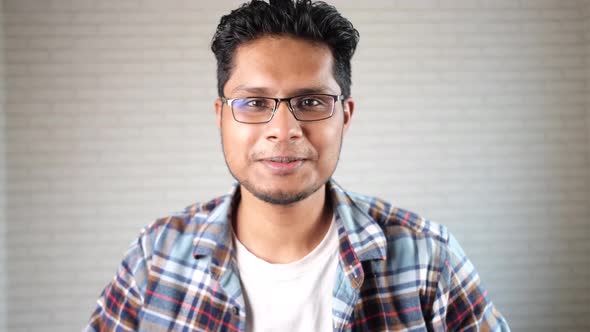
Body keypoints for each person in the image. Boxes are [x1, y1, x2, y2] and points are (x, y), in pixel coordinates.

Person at [85, 0, 511, 331]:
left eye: (310, 102)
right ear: (221, 116)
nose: (283, 129)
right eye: (254, 103)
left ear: (345, 115)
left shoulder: (428, 258)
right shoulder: (156, 254)